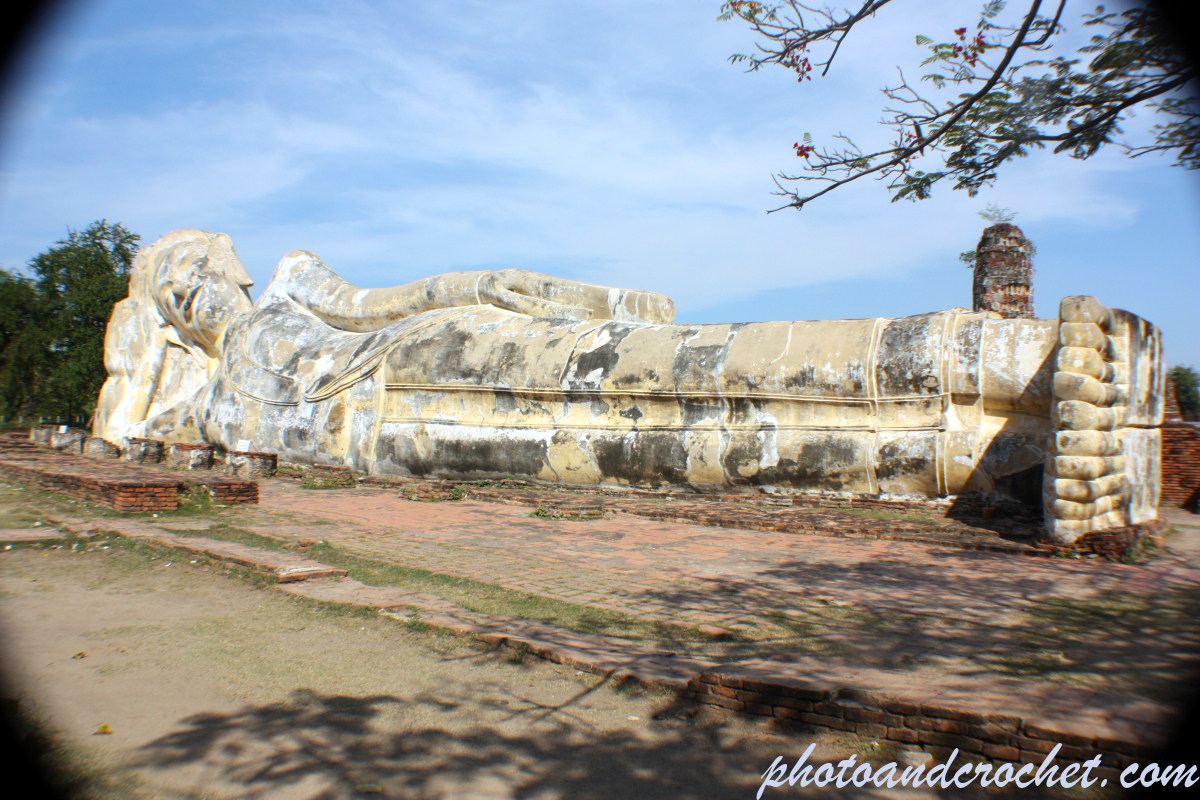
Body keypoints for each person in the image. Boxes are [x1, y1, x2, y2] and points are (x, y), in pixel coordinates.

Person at [94, 230, 1162, 542]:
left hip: (442, 348)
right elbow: (177, 434)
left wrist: (556, 290)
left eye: (199, 272)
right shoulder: (200, 390)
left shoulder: (297, 295)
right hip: (392, 430)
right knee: (665, 446)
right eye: (178, 286)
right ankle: (1017, 467)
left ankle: (1019, 363)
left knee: (710, 366)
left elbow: (410, 294)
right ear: (168, 313)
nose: (197, 289)